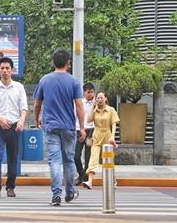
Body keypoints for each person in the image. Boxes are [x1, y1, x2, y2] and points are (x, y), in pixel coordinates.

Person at [33, 48, 86, 206]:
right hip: (69, 127)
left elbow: (37, 104)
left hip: (50, 127)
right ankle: (69, 193)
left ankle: (56, 195)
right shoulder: (74, 82)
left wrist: (37, 119)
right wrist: (82, 127)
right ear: (68, 63)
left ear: (53, 62)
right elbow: (79, 106)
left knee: (54, 162)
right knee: (69, 161)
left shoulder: (44, 80)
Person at [0, 57, 28, 198]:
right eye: (2, 68)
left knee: (12, 158)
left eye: (7, 68)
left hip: (14, 127)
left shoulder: (19, 87)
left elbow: (23, 107)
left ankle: (10, 187)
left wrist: (21, 122)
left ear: (12, 70)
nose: (5, 71)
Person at [83, 91, 119, 189]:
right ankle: (90, 182)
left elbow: (114, 123)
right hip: (97, 136)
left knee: (108, 161)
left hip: (107, 136)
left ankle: (113, 181)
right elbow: (88, 120)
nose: (99, 100)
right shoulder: (95, 110)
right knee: (93, 159)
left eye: (101, 98)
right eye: (98, 98)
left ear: (106, 99)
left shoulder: (111, 110)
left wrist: (113, 136)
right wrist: (92, 107)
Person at [74, 82, 95, 186]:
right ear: (84, 92)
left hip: (91, 131)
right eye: (88, 92)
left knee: (88, 156)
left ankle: (85, 177)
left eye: (92, 92)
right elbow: (74, 116)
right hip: (79, 130)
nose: (90, 94)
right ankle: (81, 174)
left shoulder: (96, 103)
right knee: (76, 156)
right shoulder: (79, 102)